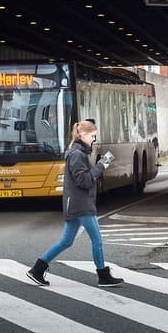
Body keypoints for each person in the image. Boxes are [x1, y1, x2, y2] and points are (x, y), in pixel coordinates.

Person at [27, 120, 123, 287]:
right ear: (83, 135)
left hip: (75, 202)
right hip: (81, 204)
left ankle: (37, 269)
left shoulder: (77, 152)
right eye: (92, 136)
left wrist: (99, 166)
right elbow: (84, 181)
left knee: (66, 242)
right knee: (97, 240)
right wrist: (102, 165)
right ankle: (103, 276)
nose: (94, 139)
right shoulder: (77, 154)